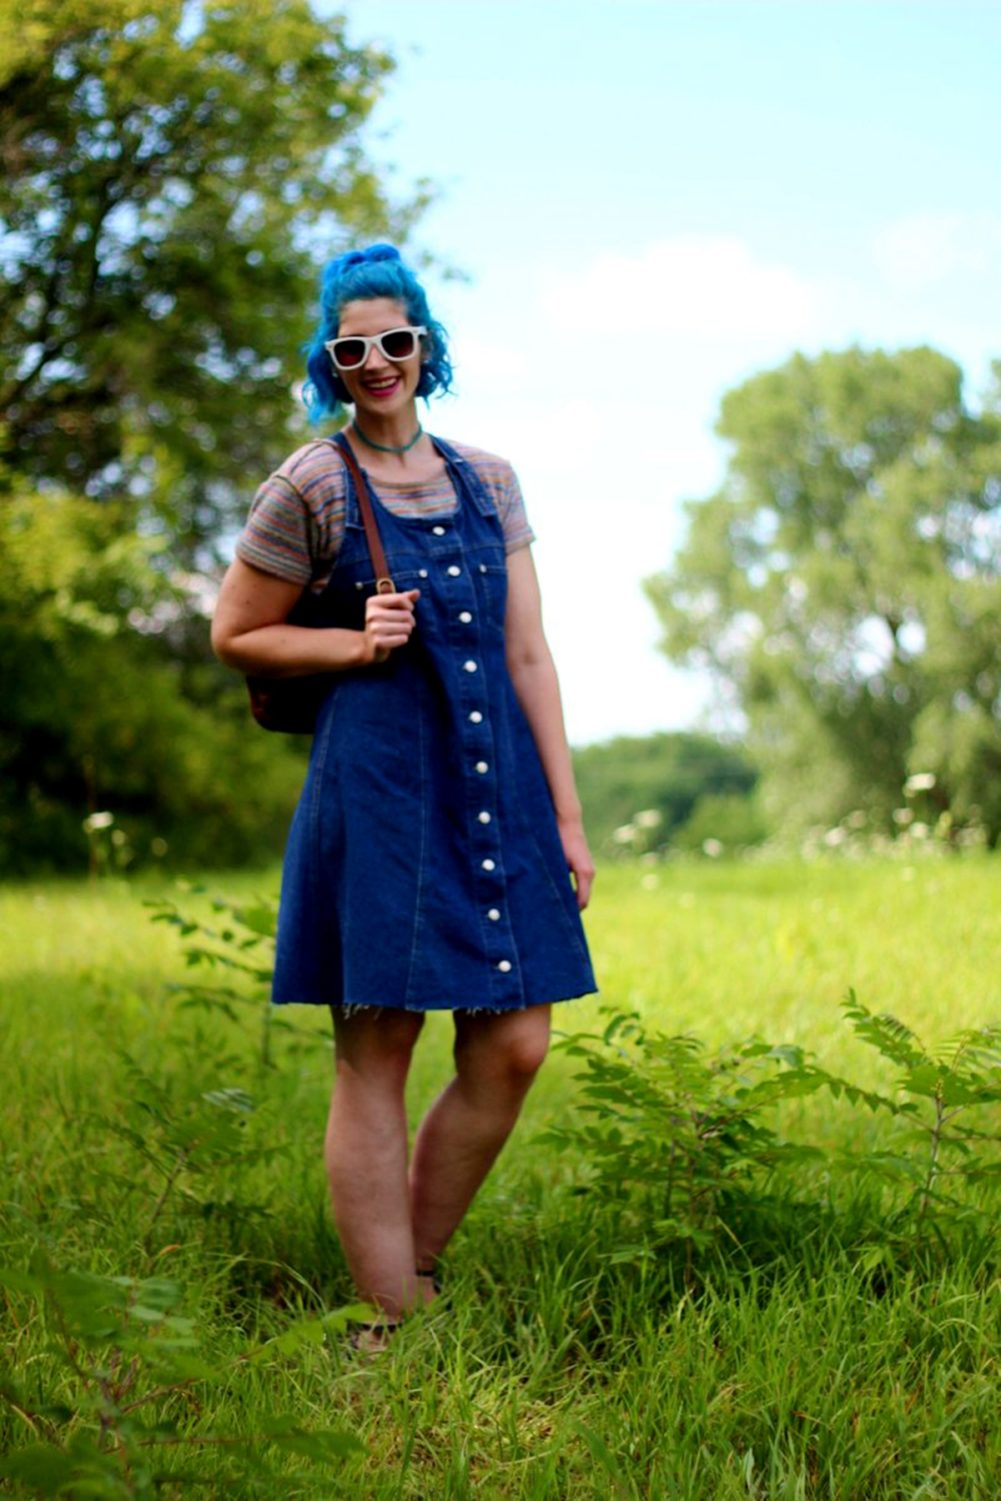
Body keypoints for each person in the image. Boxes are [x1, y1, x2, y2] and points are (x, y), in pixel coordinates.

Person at [212, 243, 596, 1347]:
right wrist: (349, 640)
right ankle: (388, 1317)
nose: (376, 361)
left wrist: (566, 818)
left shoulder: (491, 480)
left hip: (496, 788)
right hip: (377, 793)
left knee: (515, 1044)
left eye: (394, 341)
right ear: (329, 363)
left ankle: (409, 1269)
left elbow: (529, 655)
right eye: (353, 348)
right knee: (376, 1049)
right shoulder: (311, 483)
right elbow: (234, 631)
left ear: (425, 348)